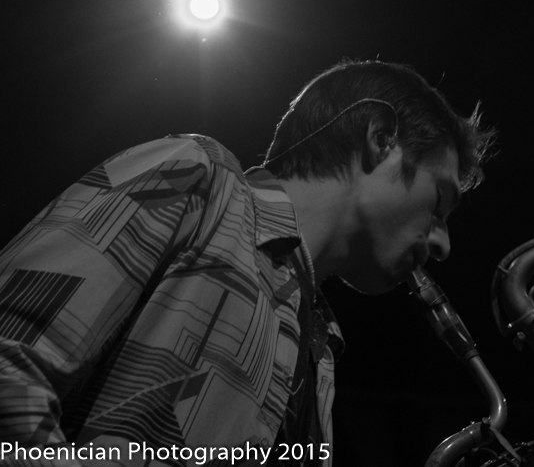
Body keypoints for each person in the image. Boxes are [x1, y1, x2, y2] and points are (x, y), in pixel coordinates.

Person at [0, 59, 493, 465]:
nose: (443, 245)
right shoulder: (198, 175)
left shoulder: (320, 347)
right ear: (381, 138)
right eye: (438, 203)